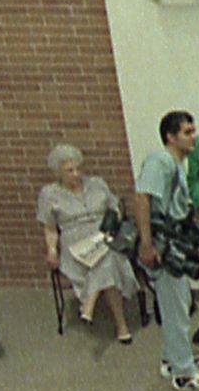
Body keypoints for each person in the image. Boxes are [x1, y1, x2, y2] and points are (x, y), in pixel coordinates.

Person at [133, 110, 199, 390]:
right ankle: (183, 371)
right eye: (187, 133)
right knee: (177, 306)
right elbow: (142, 198)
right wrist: (147, 243)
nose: (194, 138)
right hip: (161, 244)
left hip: (173, 239)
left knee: (175, 302)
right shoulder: (161, 162)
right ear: (171, 136)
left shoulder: (176, 165)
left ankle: (172, 357)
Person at [35, 145, 134, 340]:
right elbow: (50, 227)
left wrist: (113, 219)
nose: (76, 174)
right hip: (76, 246)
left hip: (102, 235)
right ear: (58, 173)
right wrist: (52, 250)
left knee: (107, 257)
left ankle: (90, 302)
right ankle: (121, 325)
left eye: (79, 168)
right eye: (69, 171)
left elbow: (116, 207)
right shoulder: (49, 194)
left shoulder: (97, 183)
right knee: (107, 261)